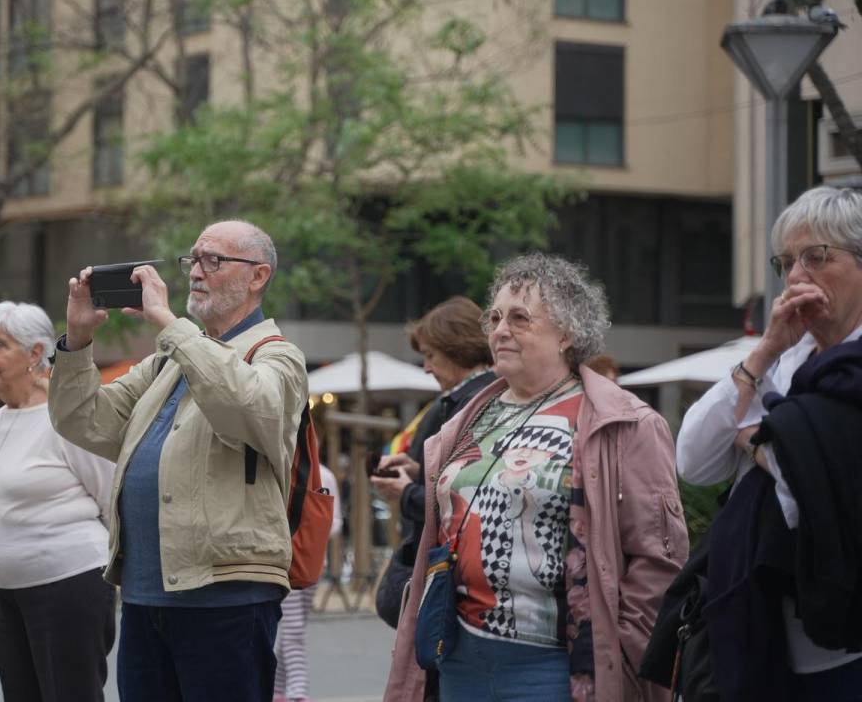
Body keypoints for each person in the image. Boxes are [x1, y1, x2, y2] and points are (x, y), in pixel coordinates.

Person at [384, 254, 688, 702]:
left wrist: (621, 650)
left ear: (567, 332)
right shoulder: (467, 418)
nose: (500, 330)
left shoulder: (623, 422)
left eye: (520, 318)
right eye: (495, 317)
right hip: (458, 653)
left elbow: (658, 555)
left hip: (555, 666)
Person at [49, 220, 309, 702]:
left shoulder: (276, 355)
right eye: (194, 260)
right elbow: (84, 421)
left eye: (214, 260)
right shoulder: (168, 361)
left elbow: (247, 408)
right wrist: (78, 341)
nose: (195, 272)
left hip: (226, 595)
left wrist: (170, 325)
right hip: (147, 594)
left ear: (258, 276)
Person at [676, 186, 862, 696]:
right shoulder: (785, 358)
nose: (797, 276)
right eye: (786, 262)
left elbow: (816, 489)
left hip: (840, 642)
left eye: (817, 257)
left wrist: (754, 442)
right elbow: (693, 460)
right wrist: (764, 352)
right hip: (757, 626)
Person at [0, 301, 116, 702]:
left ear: (36, 352)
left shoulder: (65, 415)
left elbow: (109, 496)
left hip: (68, 584)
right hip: (3, 588)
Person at [373, 297, 495, 543]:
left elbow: (461, 499)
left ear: (457, 349)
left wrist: (407, 491)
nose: (427, 368)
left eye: (430, 355)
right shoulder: (476, 398)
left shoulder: (471, 405)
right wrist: (419, 473)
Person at [273, 462, 343, 702]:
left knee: (293, 629)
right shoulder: (282, 469)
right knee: (293, 629)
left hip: (308, 563)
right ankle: (296, 691)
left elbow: (336, 521)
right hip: (291, 563)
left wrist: (311, 528)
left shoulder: (324, 475)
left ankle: (280, 690)